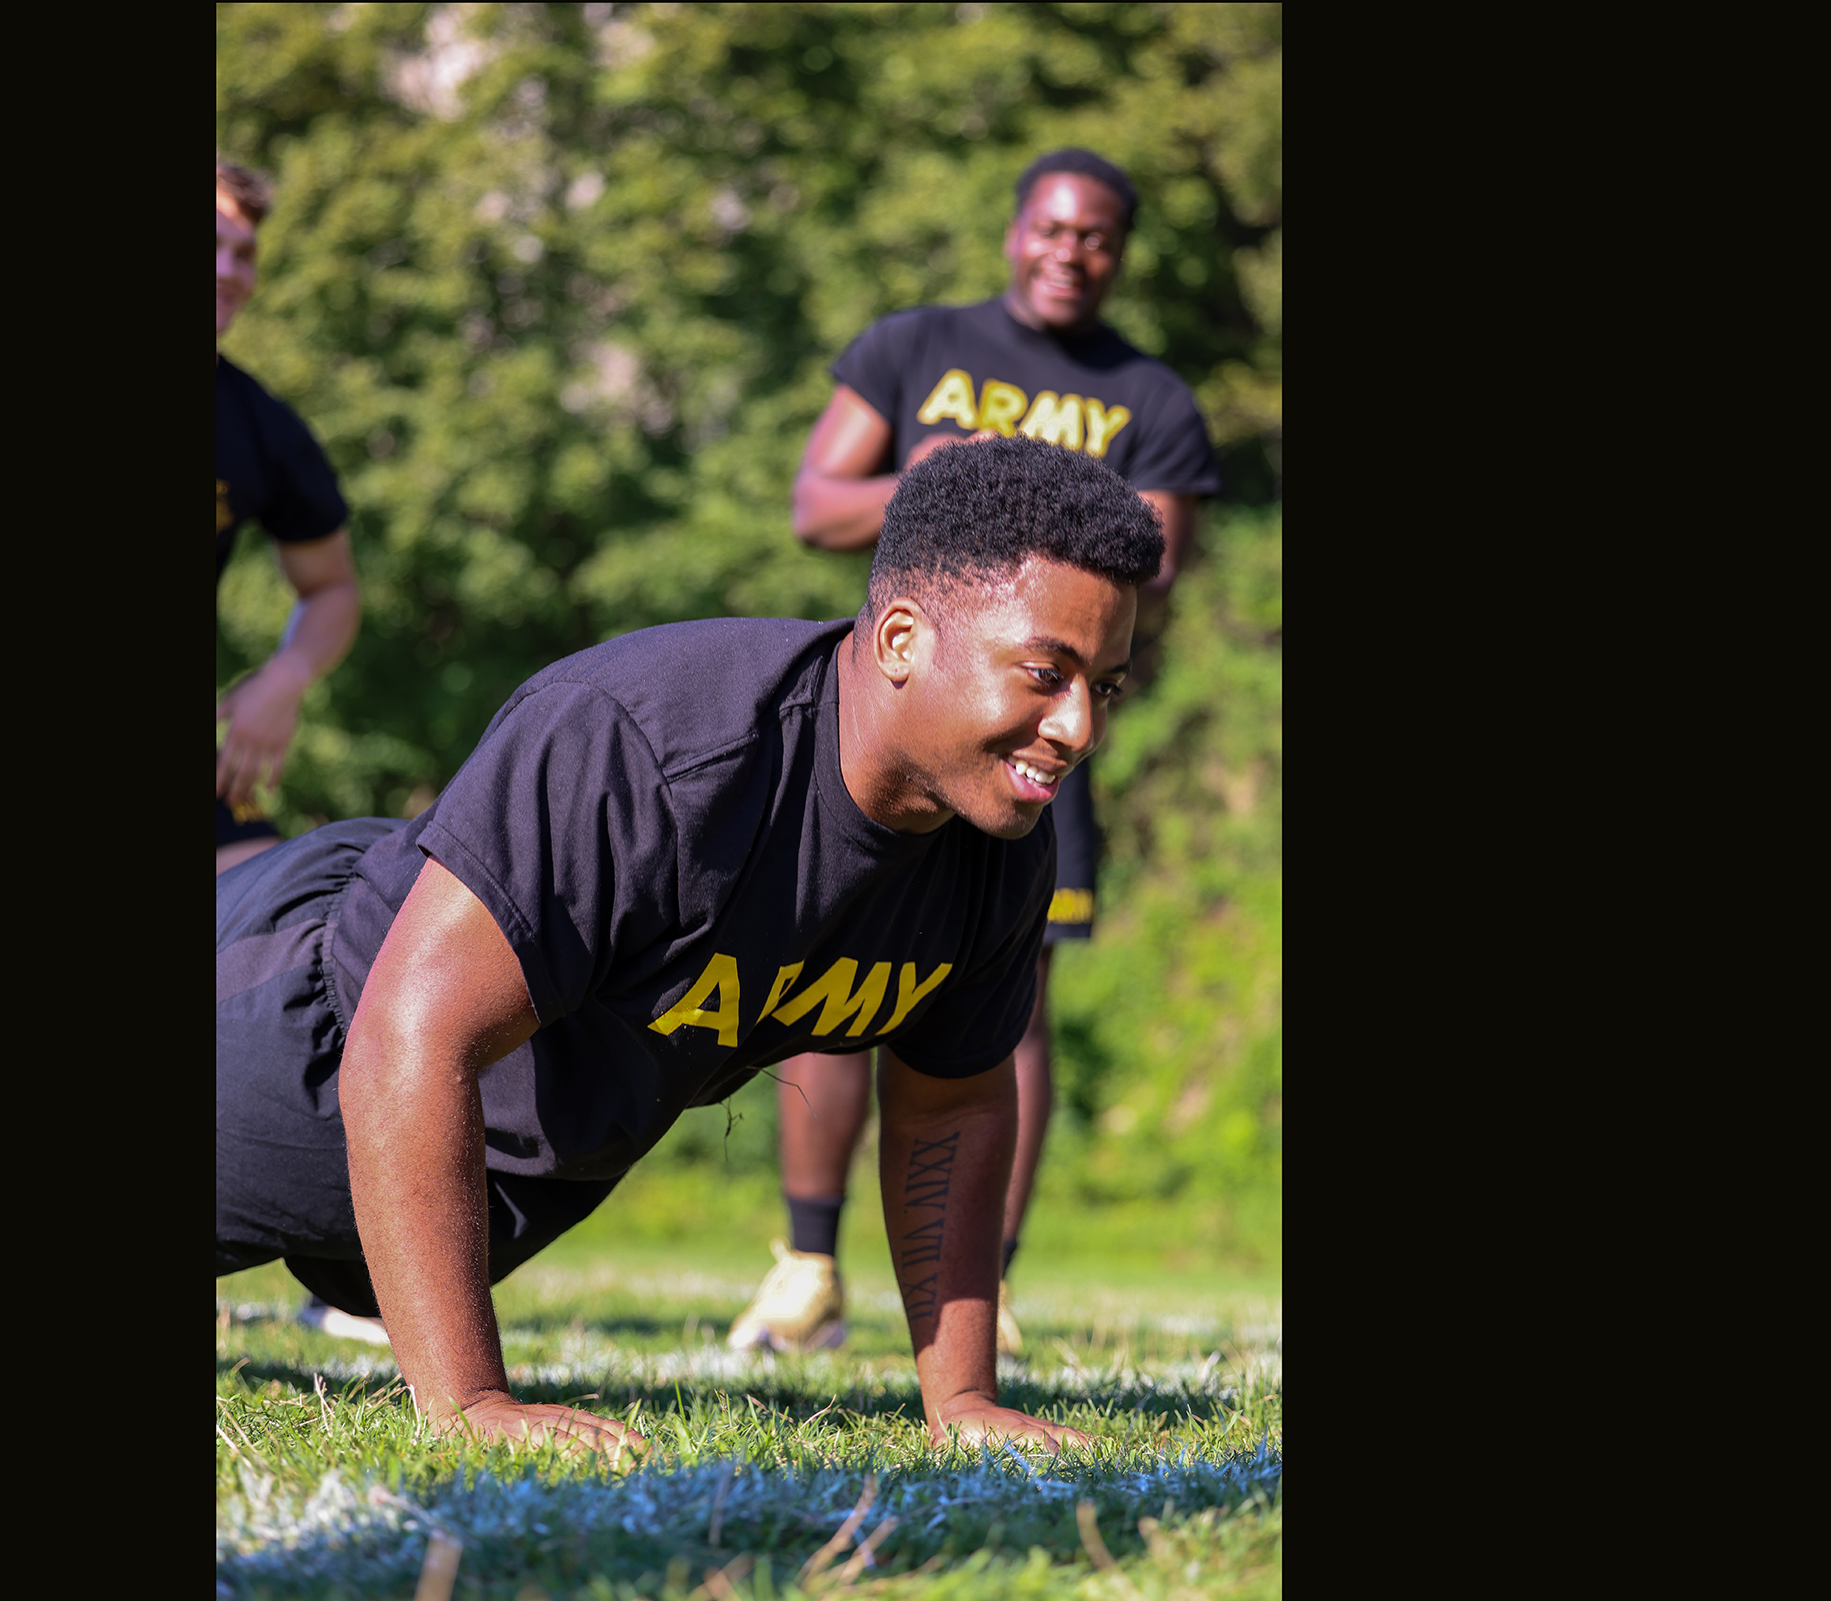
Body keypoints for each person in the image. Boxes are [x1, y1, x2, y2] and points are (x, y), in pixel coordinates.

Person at [215, 437, 1161, 1457]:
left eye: (1104, 686)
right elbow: (408, 1036)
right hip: (316, 1024)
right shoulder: (652, 743)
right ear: (898, 639)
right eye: (1043, 672)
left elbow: (953, 1101)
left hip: (505, 1156)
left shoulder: (996, 833)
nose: (1076, 728)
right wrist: (472, 1401)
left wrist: (963, 1394)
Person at [727, 148, 1221, 1356]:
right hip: (892, 716)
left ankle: (977, 1282)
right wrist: (936, 478)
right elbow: (817, 502)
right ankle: (806, 1264)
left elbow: (1155, 559)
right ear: (1014, 230)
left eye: (1099, 234)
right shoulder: (915, 347)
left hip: (1035, 735)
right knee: (831, 969)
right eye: (1052, 226)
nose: (1072, 248)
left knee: (1013, 994)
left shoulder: (1149, 397)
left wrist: (1037, 518)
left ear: (1120, 253)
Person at [216, 157, 363, 878]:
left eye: (243, 254)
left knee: (275, 913)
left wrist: (288, 673)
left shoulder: (261, 428)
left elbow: (332, 587)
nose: (227, 271)